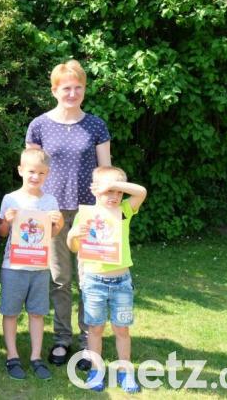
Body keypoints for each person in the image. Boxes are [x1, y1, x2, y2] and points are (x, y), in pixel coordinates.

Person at [25, 59, 111, 369]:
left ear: (84, 89)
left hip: (90, 212)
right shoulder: (39, 125)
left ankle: (89, 341)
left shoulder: (96, 125)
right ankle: (62, 338)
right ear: (54, 90)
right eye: (66, 88)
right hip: (52, 212)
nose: (72, 93)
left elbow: (106, 171)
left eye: (78, 87)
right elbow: (31, 172)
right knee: (60, 279)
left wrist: (107, 209)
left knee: (89, 279)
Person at [67, 166, 147, 393]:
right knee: (95, 329)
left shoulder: (123, 211)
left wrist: (113, 185)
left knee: (122, 329)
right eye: (108, 192)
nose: (114, 197)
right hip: (94, 281)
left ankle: (125, 371)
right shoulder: (85, 215)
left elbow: (141, 192)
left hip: (121, 281)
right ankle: (96, 369)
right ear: (95, 191)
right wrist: (73, 235)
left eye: (118, 192)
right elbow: (73, 247)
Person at [0, 148, 64, 381]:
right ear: (21, 170)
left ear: (48, 174)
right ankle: (12, 356)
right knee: (11, 312)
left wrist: (60, 223)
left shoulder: (50, 201)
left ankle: (36, 357)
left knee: (37, 313)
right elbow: (2, 233)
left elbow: (52, 234)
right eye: (31, 171)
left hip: (40, 268)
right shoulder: (10, 199)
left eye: (42, 173)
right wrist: (6, 221)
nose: (36, 177)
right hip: (13, 267)